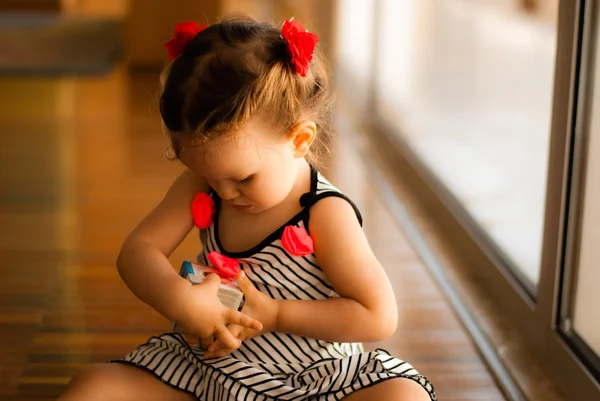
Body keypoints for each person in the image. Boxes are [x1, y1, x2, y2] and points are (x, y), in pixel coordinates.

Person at [58, 15, 436, 401]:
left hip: (315, 381)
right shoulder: (201, 186)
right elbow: (137, 253)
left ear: (299, 140)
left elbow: (377, 316)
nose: (223, 193)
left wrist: (275, 314)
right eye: (207, 175)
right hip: (207, 370)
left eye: (242, 179)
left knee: (403, 396)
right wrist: (180, 299)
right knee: (92, 389)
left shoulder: (324, 213)